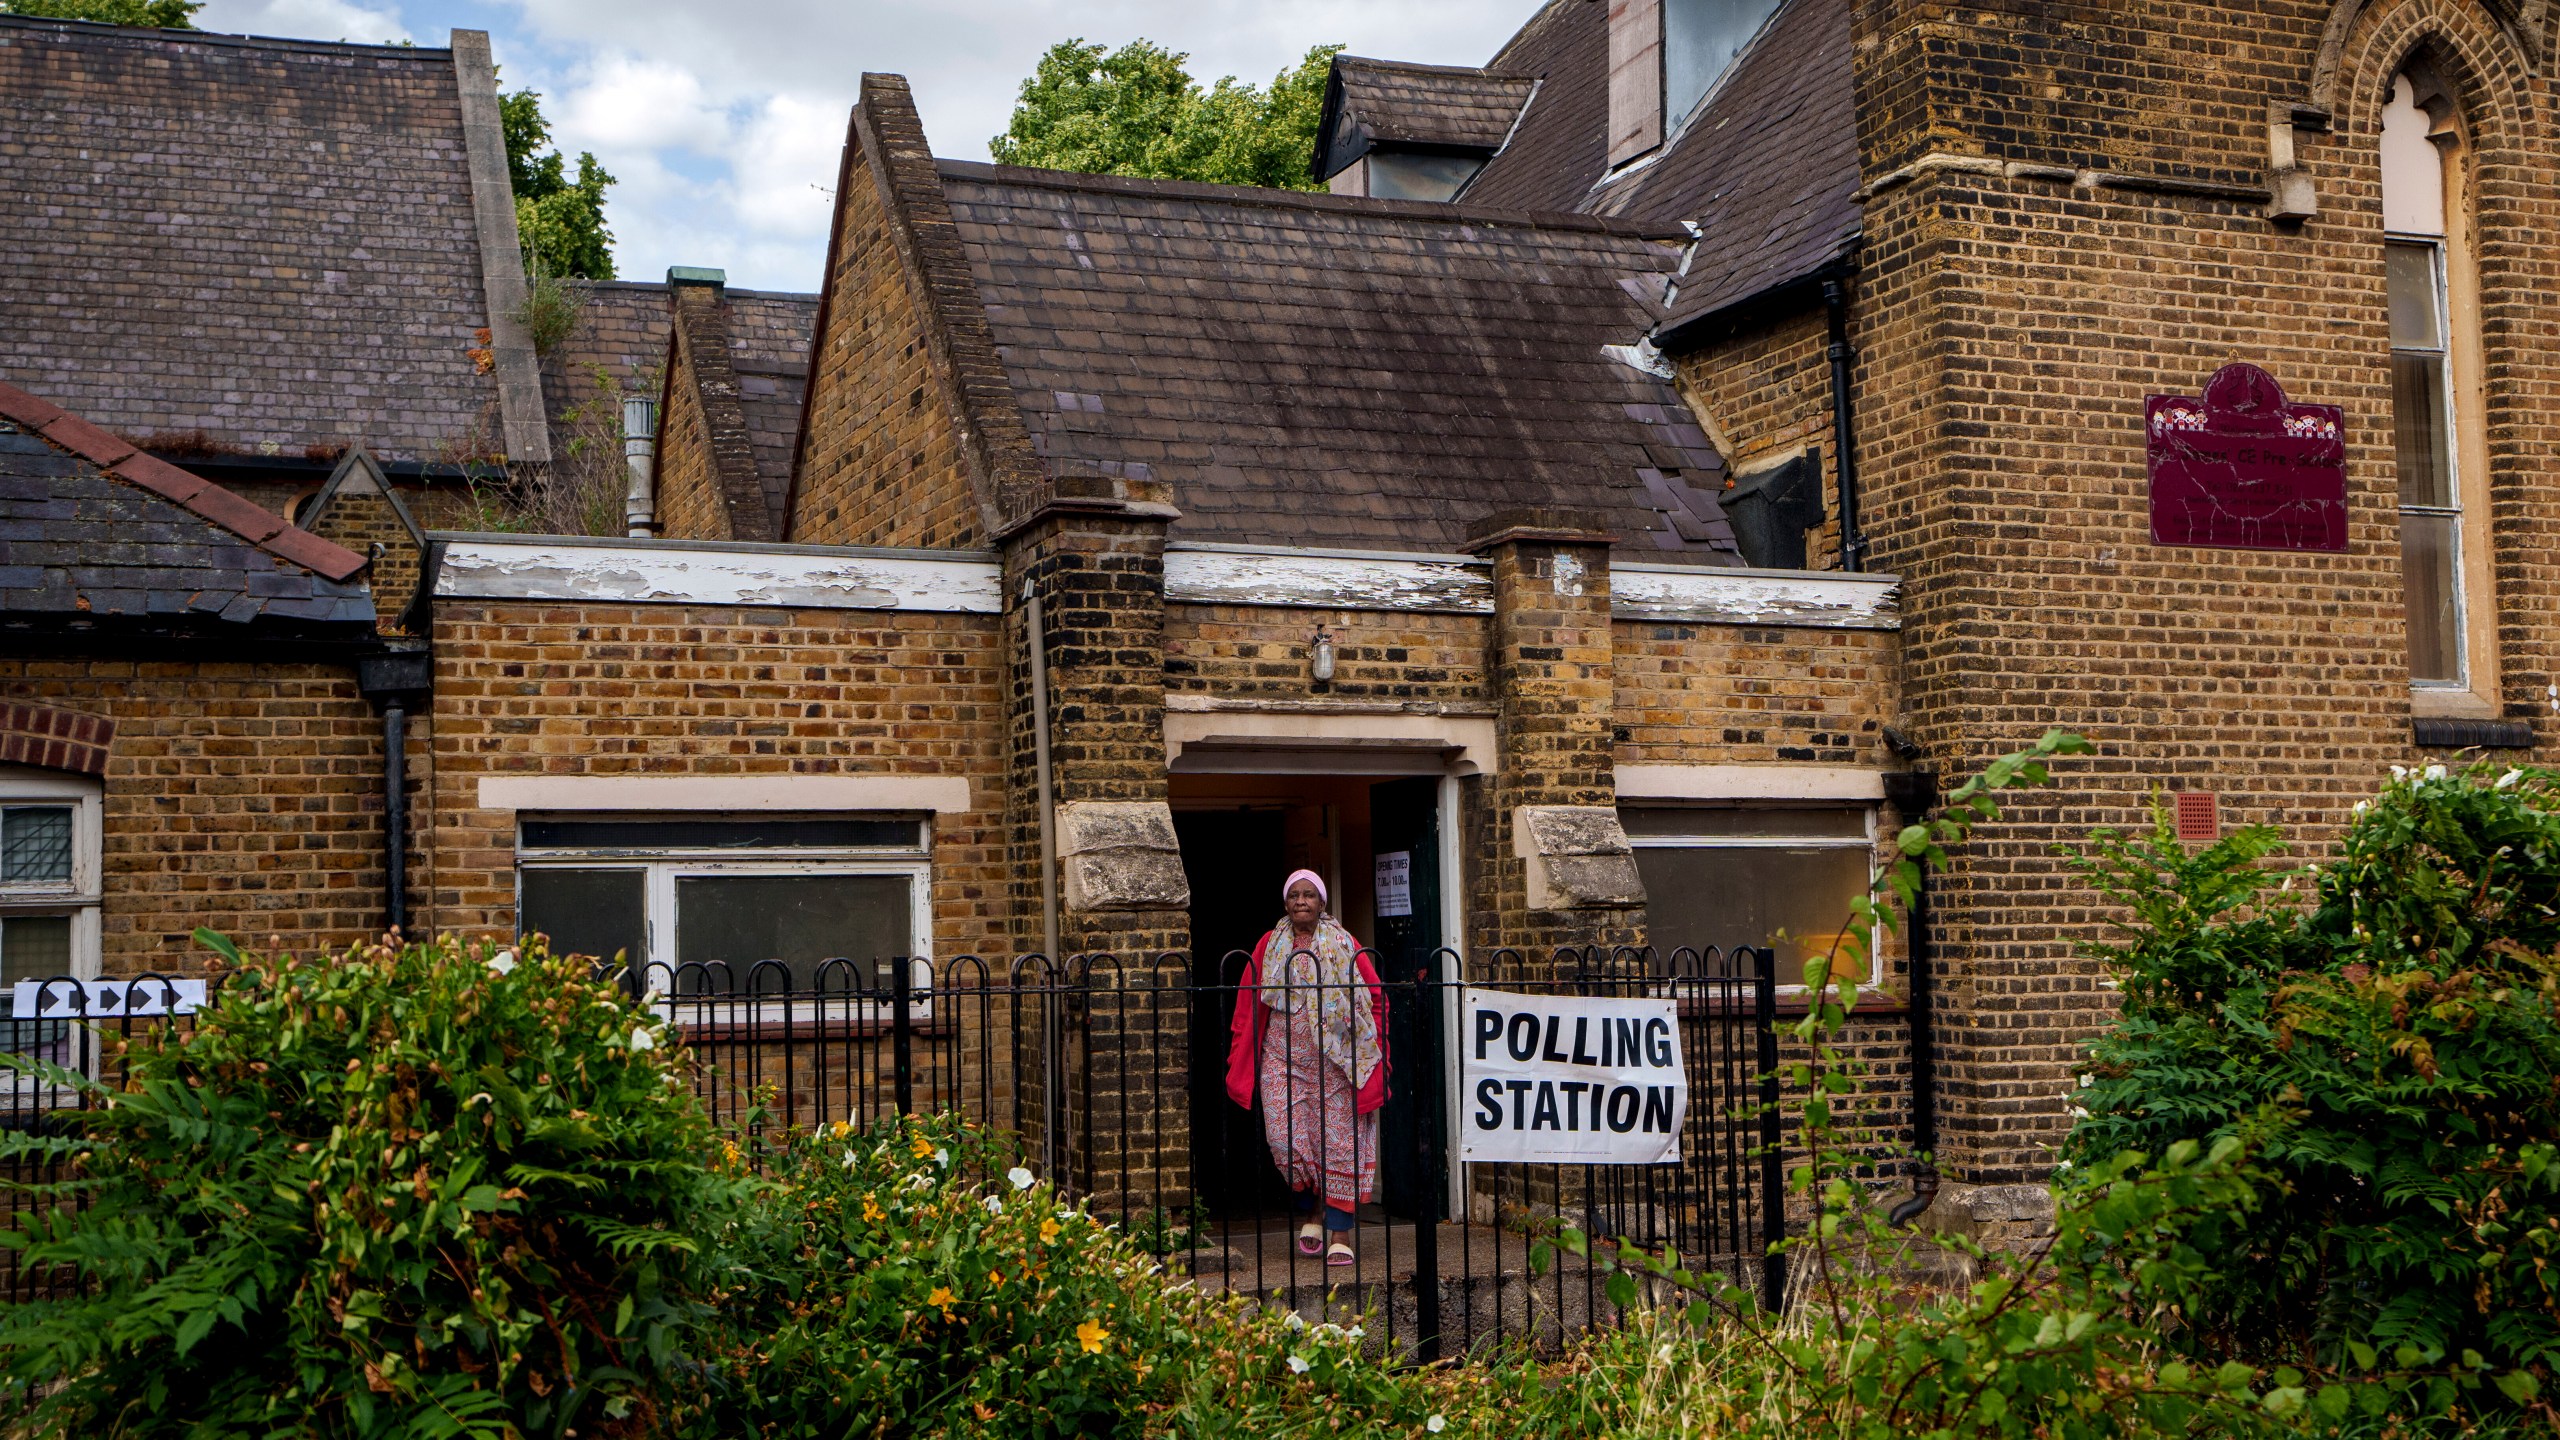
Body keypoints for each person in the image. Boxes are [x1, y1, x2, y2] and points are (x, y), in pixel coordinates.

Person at [1224, 869, 1389, 1265]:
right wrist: (1240, 1052)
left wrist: (1375, 1048)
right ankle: (1314, 1208)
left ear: (1321, 903)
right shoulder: (1269, 945)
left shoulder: (1345, 943)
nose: (1301, 901)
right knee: (1286, 1139)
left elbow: (1376, 995)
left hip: (1339, 1065)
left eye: (1309, 895)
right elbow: (1248, 1002)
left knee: (1338, 1145)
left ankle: (1339, 1233)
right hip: (1283, 1060)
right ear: (1286, 903)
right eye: (1295, 895)